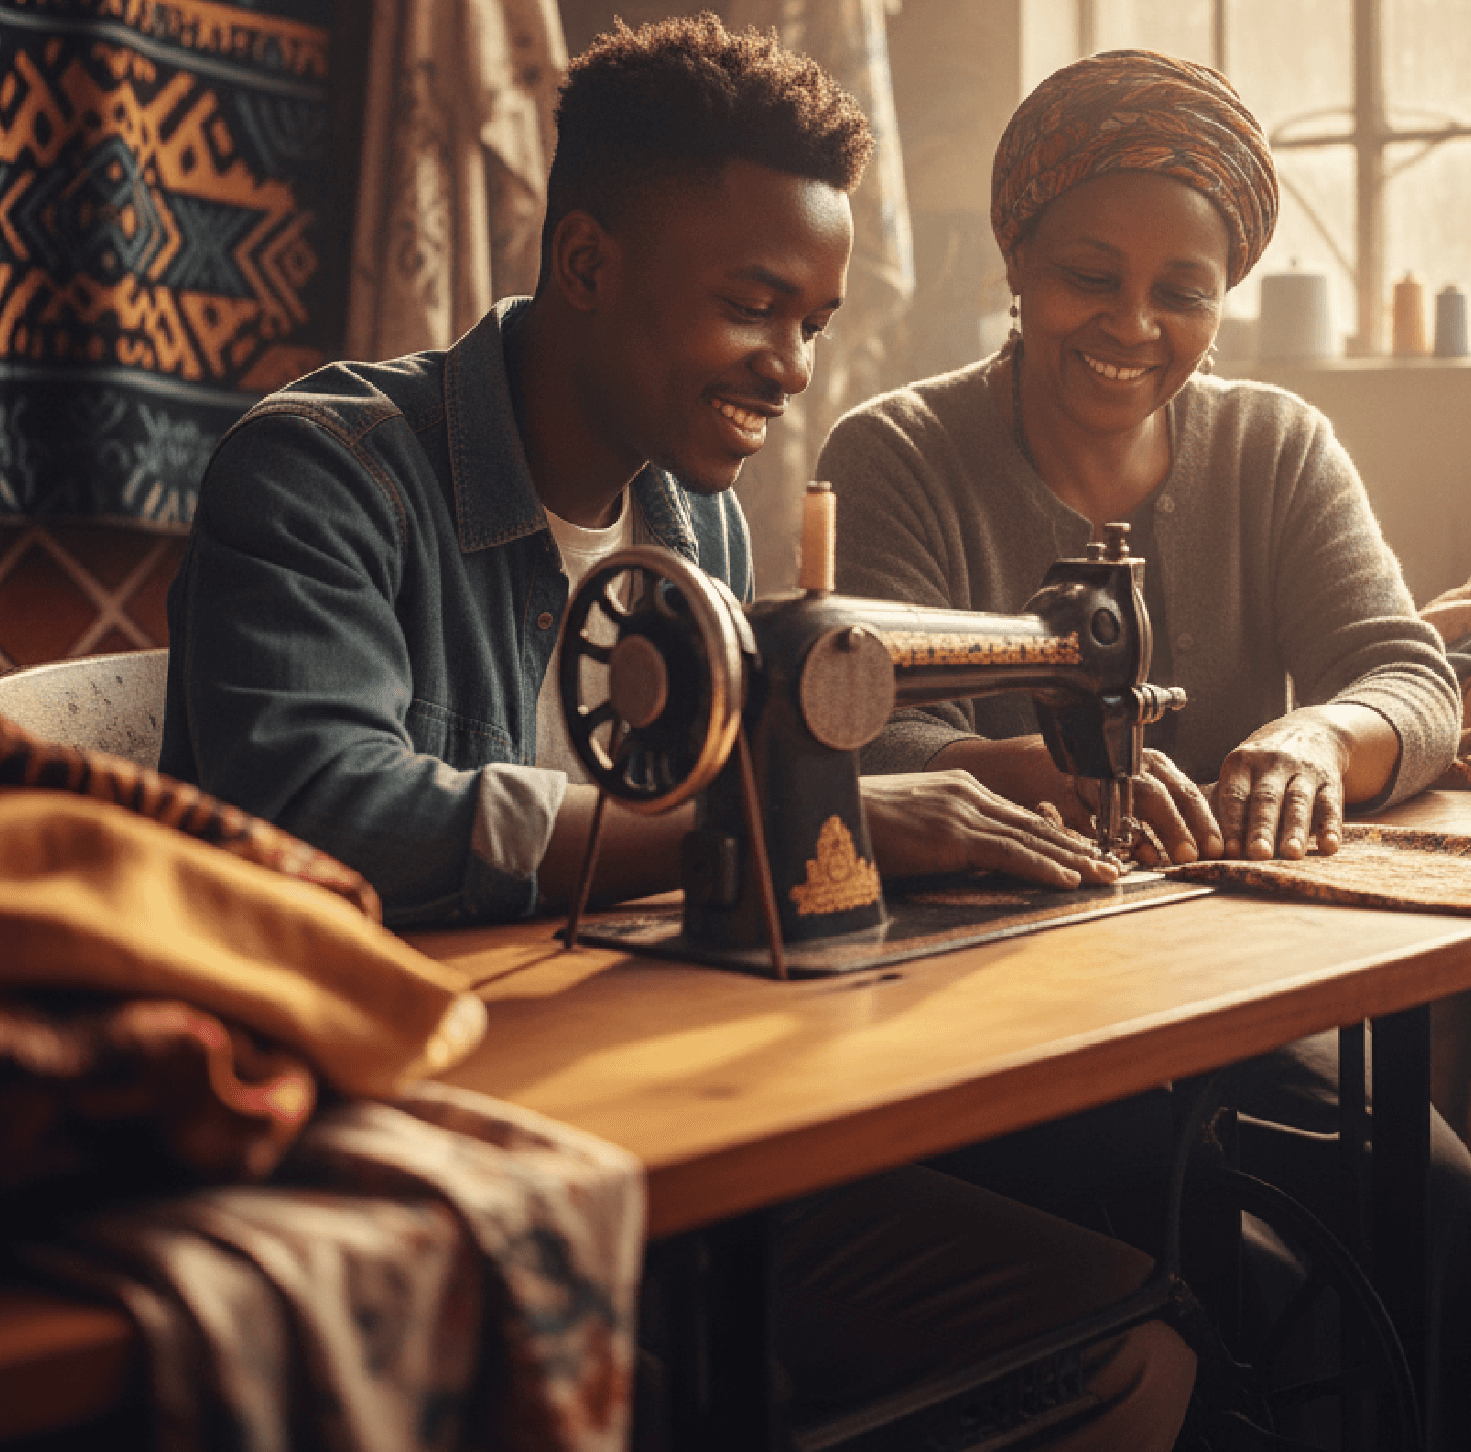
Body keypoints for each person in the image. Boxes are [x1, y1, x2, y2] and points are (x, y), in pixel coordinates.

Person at [160, 16, 1193, 1449]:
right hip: (388, 1138)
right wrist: (772, 826)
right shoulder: (319, 475)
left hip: (644, 1105)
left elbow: (740, 758)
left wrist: (973, 768)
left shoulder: (686, 508)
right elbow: (322, 815)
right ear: (585, 263)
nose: (791, 368)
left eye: (814, 326)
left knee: (1123, 1338)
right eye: (755, 307)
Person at [819, 50, 1471, 1451]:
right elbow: (861, 723)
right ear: (1018, 256)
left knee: (1443, 1212)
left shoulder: (1275, 447)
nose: (1133, 322)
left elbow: (1409, 676)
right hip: (972, 1000)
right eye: (1092, 272)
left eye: (1182, 292)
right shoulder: (896, 452)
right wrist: (1038, 774)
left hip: (1216, 987)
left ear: (1224, 299)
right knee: (1175, 1238)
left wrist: (1317, 737)